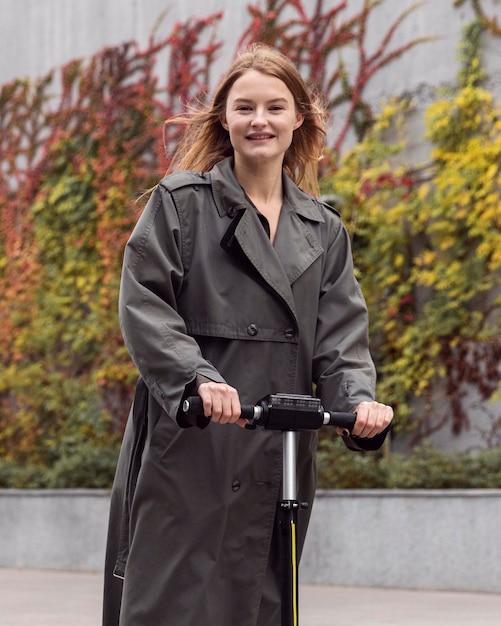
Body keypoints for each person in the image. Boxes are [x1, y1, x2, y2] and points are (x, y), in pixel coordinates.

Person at [102, 43, 393, 626]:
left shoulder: (324, 229)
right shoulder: (181, 204)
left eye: (275, 107)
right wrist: (197, 378)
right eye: (245, 108)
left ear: (298, 119)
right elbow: (145, 303)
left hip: (276, 450)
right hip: (192, 443)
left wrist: (357, 403)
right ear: (224, 119)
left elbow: (341, 337)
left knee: (261, 604)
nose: (260, 120)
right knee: (173, 604)